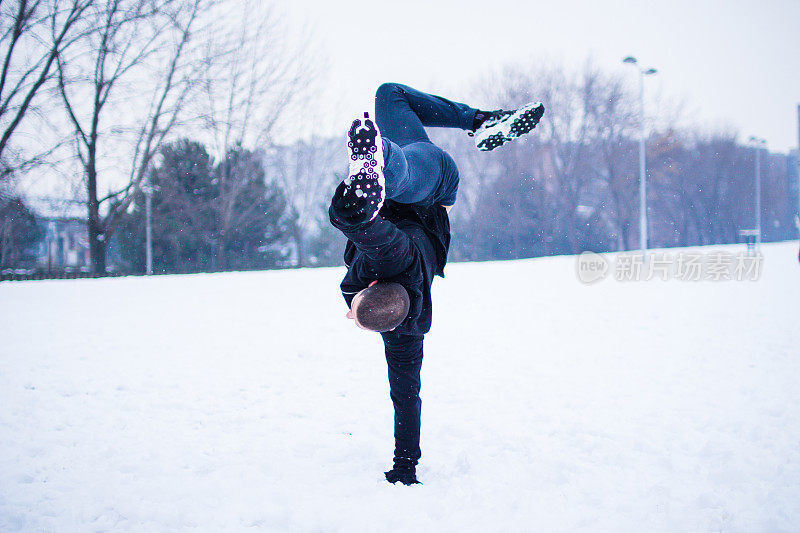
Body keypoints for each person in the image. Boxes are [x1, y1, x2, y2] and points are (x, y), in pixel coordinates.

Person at [328, 83, 544, 485]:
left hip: (424, 173)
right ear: (364, 293)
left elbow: (406, 396)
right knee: (403, 178)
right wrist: (349, 215)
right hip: (432, 185)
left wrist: (404, 467)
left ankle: (482, 122)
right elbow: (381, 242)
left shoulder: (404, 334)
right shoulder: (389, 264)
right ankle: (380, 160)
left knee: (389, 94)